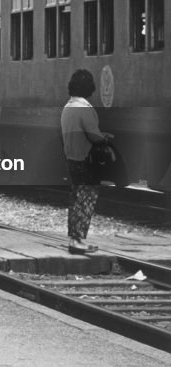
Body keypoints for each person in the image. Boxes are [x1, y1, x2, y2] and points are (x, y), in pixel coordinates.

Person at [61, 68, 112, 254]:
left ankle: (74, 239)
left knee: (76, 199)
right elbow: (93, 135)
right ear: (88, 88)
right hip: (86, 161)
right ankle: (78, 241)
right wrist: (104, 138)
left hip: (72, 159)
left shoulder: (68, 107)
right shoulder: (84, 108)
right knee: (86, 200)